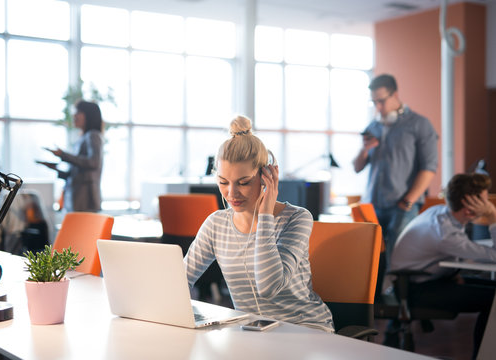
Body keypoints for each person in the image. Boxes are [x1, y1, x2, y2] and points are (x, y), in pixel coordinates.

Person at [183, 115, 334, 332]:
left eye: (243, 182)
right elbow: (180, 280)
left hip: (306, 329)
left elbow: (268, 286)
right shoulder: (216, 224)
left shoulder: (297, 219)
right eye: (223, 182)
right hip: (253, 333)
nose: (232, 193)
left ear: (265, 177)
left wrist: (265, 216)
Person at [390, 173, 496, 358]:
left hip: (424, 281)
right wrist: (493, 217)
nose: (487, 206)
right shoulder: (446, 235)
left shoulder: (440, 212)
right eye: (485, 202)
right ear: (469, 208)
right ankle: (483, 356)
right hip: (415, 290)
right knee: (493, 300)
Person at [353, 74, 438, 295]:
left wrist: (408, 202)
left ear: (395, 95)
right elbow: (357, 167)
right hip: (372, 206)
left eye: (381, 101)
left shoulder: (419, 124)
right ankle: (376, 308)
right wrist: (365, 149)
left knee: (398, 262)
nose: (378, 107)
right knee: (369, 261)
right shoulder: (373, 126)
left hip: (402, 205)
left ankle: (401, 314)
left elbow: (429, 168)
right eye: (374, 102)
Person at [38, 100, 104, 213]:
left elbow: (94, 162)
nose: (74, 115)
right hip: (76, 197)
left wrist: (63, 155)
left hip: (85, 200)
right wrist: (55, 169)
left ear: (88, 115)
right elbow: (75, 174)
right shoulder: (82, 138)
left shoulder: (93, 135)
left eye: (78, 112)